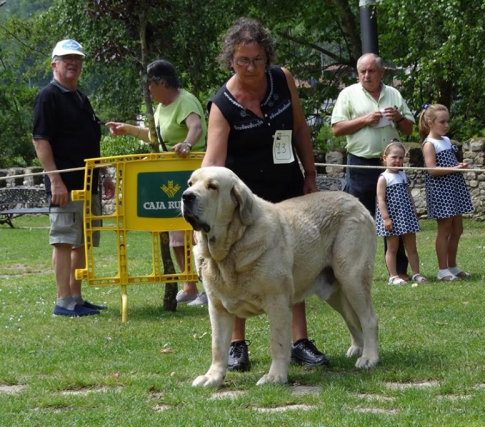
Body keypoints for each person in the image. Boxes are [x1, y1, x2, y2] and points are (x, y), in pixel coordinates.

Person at [201, 17, 329, 371]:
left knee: (290, 263)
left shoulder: (282, 79)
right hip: (245, 198)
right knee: (236, 269)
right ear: (231, 60)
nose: (251, 67)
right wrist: (202, 202)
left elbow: (300, 127)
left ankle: (298, 341)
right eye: (243, 60)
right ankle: (237, 346)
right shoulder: (222, 105)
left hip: (287, 185)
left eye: (258, 59)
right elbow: (213, 161)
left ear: (267, 57)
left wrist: (311, 174)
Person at [106, 60, 208, 305]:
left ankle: (209, 288)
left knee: (197, 235)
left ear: (161, 83)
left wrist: (187, 145)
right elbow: (154, 136)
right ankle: (189, 286)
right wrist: (127, 129)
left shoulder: (186, 101)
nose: (148, 91)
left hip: (195, 176)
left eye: (149, 85)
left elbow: (196, 127)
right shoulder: (161, 108)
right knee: (176, 237)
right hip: (171, 178)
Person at [32, 39, 115, 317]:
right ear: (54, 64)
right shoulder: (49, 96)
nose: (73, 63)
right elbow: (41, 140)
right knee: (64, 240)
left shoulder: (82, 98)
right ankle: (62, 300)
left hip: (88, 182)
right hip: (64, 184)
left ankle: (76, 297)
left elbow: (90, 141)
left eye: (77, 59)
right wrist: (55, 180)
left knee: (83, 241)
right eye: (66, 58)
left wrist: (103, 174)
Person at [331, 53, 414, 281]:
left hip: (391, 166)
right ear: (358, 74)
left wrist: (398, 118)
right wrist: (364, 120)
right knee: (359, 220)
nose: (367, 75)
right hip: (361, 164)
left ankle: (399, 272)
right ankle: (354, 272)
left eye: (372, 71)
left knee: (396, 220)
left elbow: (409, 129)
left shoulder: (394, 94)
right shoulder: (347, 94)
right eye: (363, 72)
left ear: (382, 72)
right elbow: (337, 129)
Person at [419, 104, 473, 281]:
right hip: (442, 191)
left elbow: (451, 165)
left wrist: (459, 166)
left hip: (454, 188)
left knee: (457, 229)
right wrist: (455, 168)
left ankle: (452, 266)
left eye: (448, 121)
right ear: (430, 123)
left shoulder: (446, 140)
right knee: (445, 230)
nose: (446, 125)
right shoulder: (429, 144)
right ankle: (443, 270)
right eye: (442, 122)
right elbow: (432, 170)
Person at [375, 139, 427, 285]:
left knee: (412, 247)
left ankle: (416, 273)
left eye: (400, 158)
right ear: (385, 158)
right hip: (392, 218)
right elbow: (381, 200)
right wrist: (386, 218)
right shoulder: (383, 178)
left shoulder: (403, 175)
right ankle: (393, 276)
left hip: (407, 216)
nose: (397, 160)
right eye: (394, 157)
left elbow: (409, 194)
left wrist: (414, 211)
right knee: (392, 248)